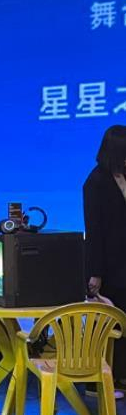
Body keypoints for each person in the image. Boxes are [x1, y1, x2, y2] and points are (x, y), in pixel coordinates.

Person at [83, 124, 126, 392]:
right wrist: (95, 272)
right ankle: (96, 381)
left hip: (124, 261)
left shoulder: (123, 175)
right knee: (106, 323)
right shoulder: (96, 181)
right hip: (108, 264)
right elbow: (94, 230)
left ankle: (119, 375)